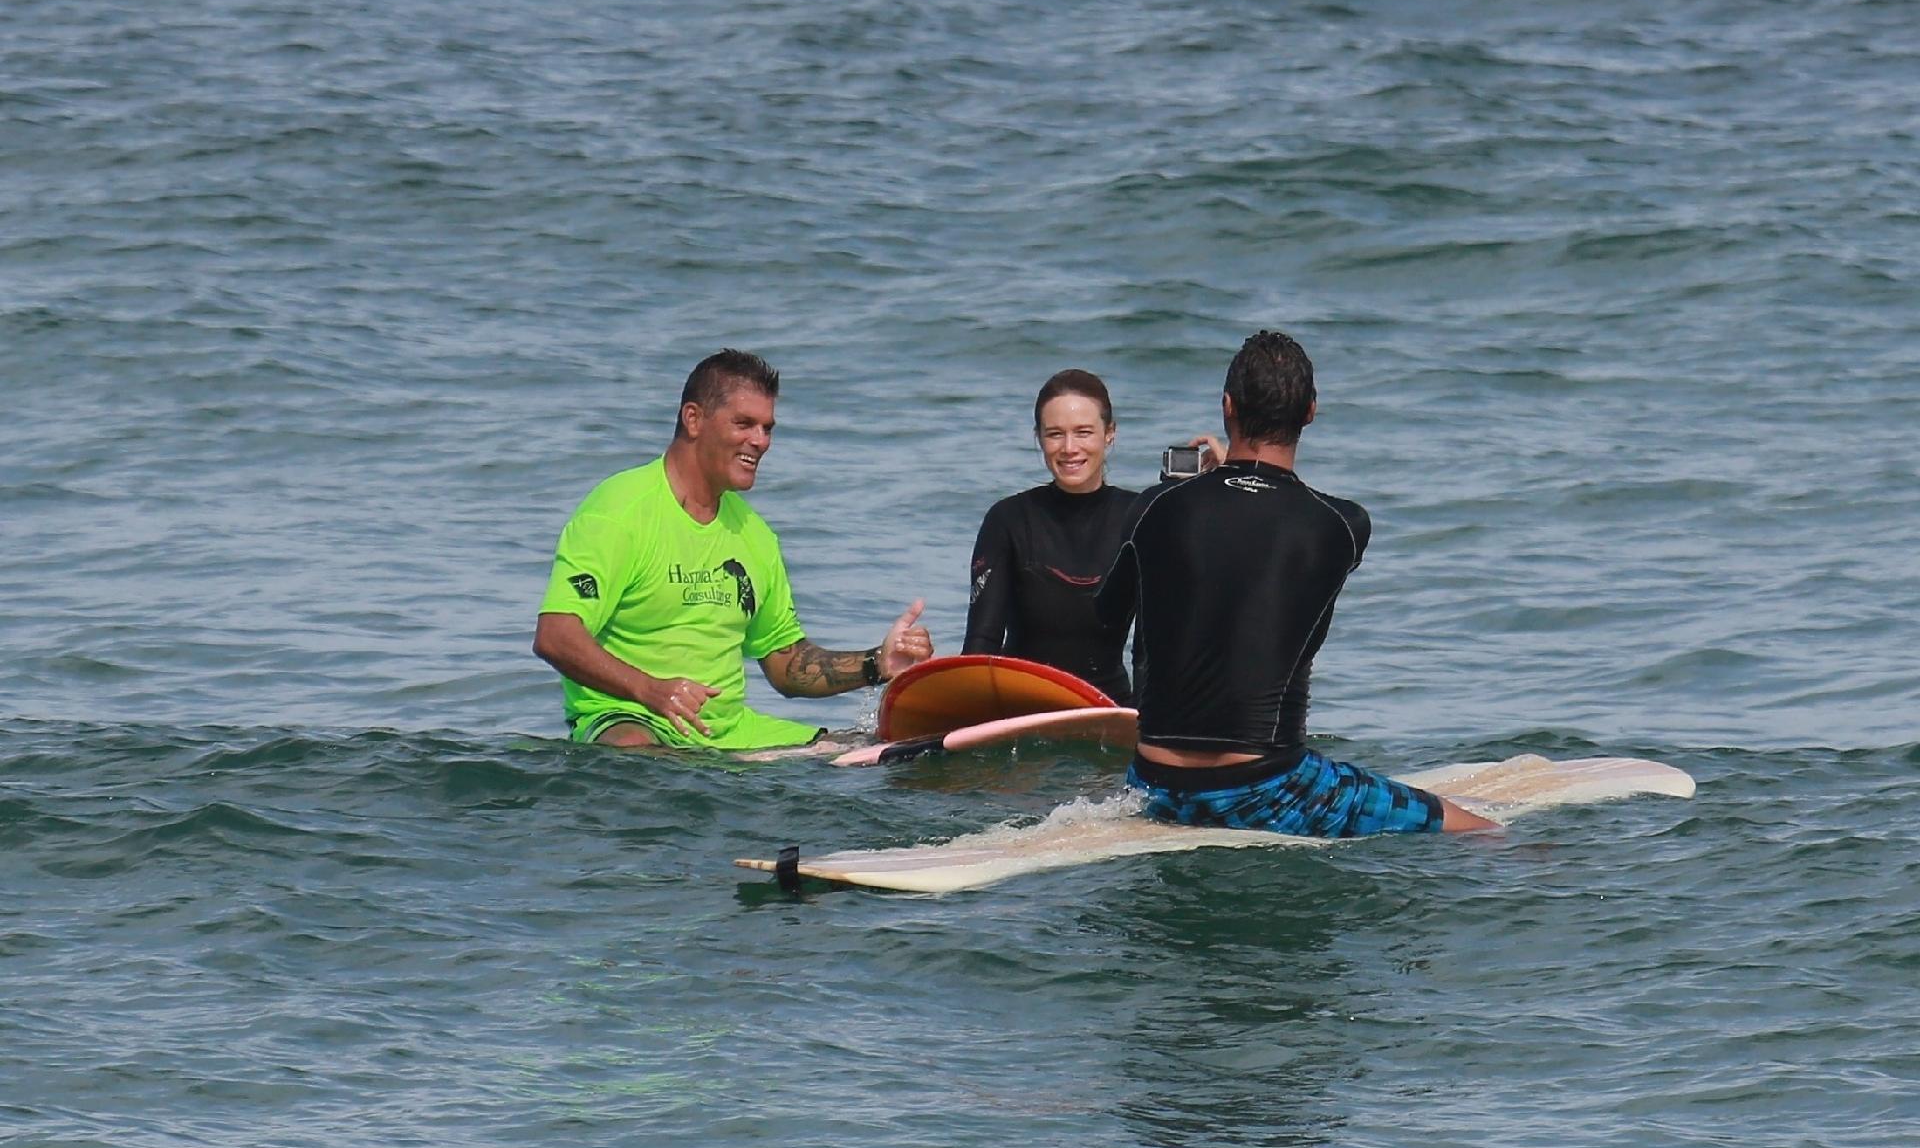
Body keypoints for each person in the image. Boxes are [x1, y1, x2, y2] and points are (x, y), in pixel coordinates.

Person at [1096, 331, 1498, 835]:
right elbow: (1260, 548)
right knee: (1481, 830)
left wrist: (1206, 487)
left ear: (1227, 407)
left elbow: (1107, 617)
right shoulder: (1342, 525)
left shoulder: (1153, 507)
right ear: (1310, 411)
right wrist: (1233, 486)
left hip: (1154, 785)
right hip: (1267, 789)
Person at [533, 349, 933, 751]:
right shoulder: (619, 512)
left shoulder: (754, 535)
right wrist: (651, 690)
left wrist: (877, 663)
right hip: (628, 719)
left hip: (729, 735)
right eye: (744, 424)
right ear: (694, 419)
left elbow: (786, 665)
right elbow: (556, 636)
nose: (760, 441)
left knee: (887, 752)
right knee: (637, 750)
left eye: (767, 428)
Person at [963, 369, 1139, 702]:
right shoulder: (1009, 519)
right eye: (1055, 434)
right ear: (1039, 438)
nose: (1069, 448)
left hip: (1108, 709)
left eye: (1084, 432)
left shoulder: (1139, 516)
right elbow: (980, 644)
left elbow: (1160, 642)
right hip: (1019, 710)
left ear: (1110, 434)